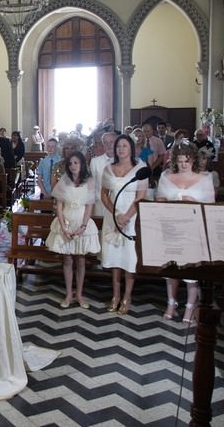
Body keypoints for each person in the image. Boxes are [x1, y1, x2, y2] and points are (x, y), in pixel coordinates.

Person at [156, 141, 215, 324]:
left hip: (192, 229)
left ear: (193, 161)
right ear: (174, 160)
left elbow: (210, 206)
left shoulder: (205, 178)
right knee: (172, 269)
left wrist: (193, 202)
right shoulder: (166, 176)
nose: (183, 165)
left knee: (190, 271)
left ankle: (190, 307)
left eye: (187, 161)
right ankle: (171, 303)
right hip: (171, 227)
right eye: (180, 161)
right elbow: (159, 200)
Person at [100, 134, 148, 316]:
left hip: (131, 218)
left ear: (131, 149)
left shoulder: (140, 169)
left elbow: (141, 197)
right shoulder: (108, 169)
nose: (121, 149)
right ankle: (115, 295)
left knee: (129, 258)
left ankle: (127, 297)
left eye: (125, 146)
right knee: (114, 259)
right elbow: (104, 194)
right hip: (113, 216)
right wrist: (115, 214)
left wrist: (126, 216)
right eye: (118, 146)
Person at [46, 151, 100, 308]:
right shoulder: (64, 181)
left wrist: (83, 226)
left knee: (81, 260)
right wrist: (63, 226)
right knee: (68, 259)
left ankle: (80, 294)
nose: (73, 166)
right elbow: (59, 206)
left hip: (82, 222)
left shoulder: (89, 182)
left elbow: (90, 206)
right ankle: (69, 294)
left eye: (76, 162)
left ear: (82, 164)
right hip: (67, 222)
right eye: (70, 163)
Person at [89, 132, 116, 216]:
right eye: (105, 142)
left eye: (112, 142)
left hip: (117, 203)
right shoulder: (95, 161)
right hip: (100, 203)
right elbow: (92, 185)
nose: (109, 145)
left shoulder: (123, 161)